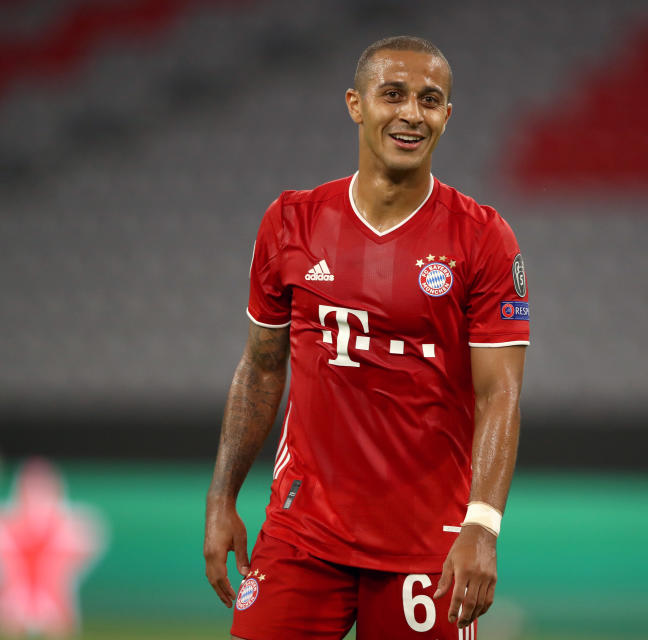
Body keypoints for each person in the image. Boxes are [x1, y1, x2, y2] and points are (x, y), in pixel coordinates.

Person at [204, 35, 530, 639]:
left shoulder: (483, 239)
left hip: (426, 549)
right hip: (303, 534)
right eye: (394, 95)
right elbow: (261, 366)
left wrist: (481, 527)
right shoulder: (291, 222)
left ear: (447, 117)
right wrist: (222, 496)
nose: (412, 113)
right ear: (356, 104)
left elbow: (500, 394)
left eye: (430, 100)